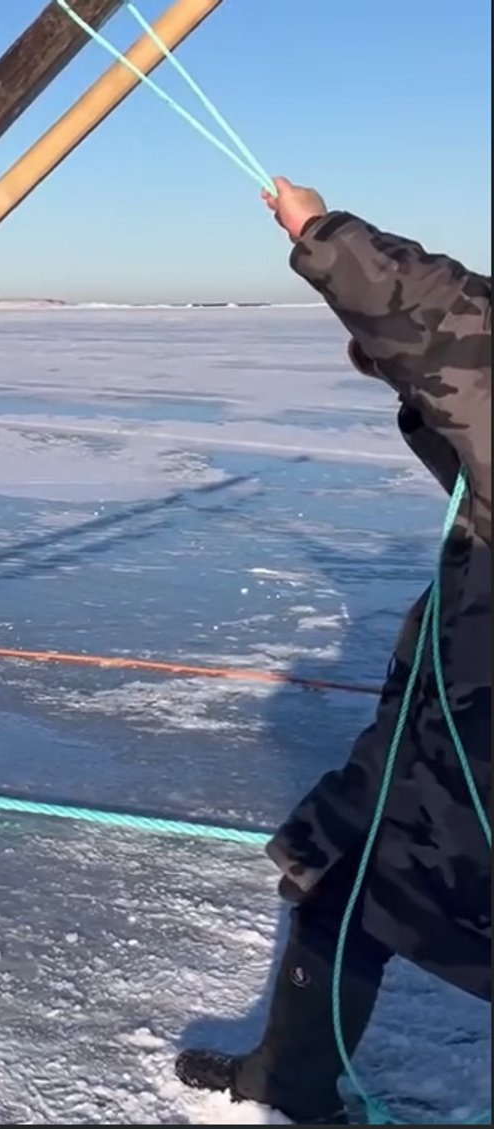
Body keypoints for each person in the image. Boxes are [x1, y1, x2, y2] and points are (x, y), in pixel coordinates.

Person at [175, 179, 491, 1122]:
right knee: (350, 878)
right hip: (451, 716)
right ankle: (293, 1077)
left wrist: (320, 232)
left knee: (374, 884)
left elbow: (451, 333)